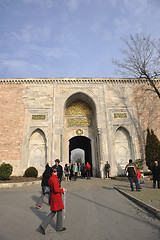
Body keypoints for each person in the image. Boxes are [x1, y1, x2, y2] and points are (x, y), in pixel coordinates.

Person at [39, 168, 67, 234]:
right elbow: (56, 189)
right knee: (57, 211)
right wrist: (62, 190)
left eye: (56, 171)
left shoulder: (51, 179)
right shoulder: (54, 179)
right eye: (54, 171)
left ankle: (44, 226)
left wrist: (60, 190)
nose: (56, 172)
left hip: (53, 197)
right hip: (56, 197)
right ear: (52, 172)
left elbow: (54, 188)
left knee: (54, 212)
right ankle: (57, 227)